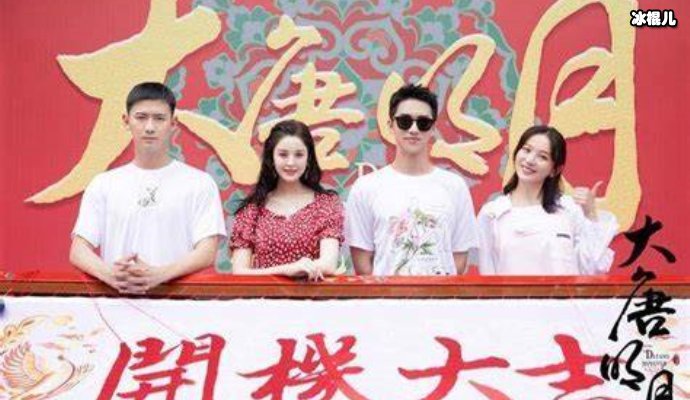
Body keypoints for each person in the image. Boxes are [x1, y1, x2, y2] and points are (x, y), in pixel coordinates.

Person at [70, 82, 227, 294]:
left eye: (159, 118)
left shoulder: (200, 182)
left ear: (173, 123)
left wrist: (159, 275)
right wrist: (111, 275)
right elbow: (78, 250)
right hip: (117, 304)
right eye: (141, 117)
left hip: (178, 305)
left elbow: (207, 252)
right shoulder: (103, 184)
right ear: (126, 121)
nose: (150, 127)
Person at [345, 84, 479, 276]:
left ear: (433, 128)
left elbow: (458, 258)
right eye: (404, 121)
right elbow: (363, 264)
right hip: (386, 295)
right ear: (391, 125)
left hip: (441, 295)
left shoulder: (454, 186)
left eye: (423, 123)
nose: (414, 129)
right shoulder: (366, 187)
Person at [477, 125, 619, 275]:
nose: (530, 160)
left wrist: (590, 214)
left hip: (564, 291)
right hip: (510, 292)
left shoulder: (569, 210)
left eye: (542, 157)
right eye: (526, 150)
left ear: (555, 170)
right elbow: (487, 274)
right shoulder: (493, 214)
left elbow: (592, 268)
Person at [230, 120, 343, 279]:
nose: (291, 162)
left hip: (312, 294)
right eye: (283, 155)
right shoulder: (252, 210)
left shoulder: (326, 204)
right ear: (271, 157)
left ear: (309, 158)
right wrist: (286, 270)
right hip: (264, 295)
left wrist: (297, 270)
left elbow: (328, 264)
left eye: (299, 155)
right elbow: (239, 272)